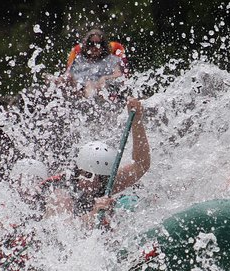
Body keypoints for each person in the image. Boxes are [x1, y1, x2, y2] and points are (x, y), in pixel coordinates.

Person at [41, 97, 150, 226]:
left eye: (102, 178)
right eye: (90, 176)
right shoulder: (61, 192)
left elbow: (141, 165)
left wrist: (136, 121)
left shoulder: (102, 182)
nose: (96, 183)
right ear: (79, 172)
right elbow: (64, 230)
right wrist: (94, 212)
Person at [64, 29, 128, 98]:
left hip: (100, 90)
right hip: (77, 90)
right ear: (87, 46)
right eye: (91, 44)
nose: (95, 47)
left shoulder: (112, 59)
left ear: (103, 45)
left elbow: (119, 75)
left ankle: (88, 102)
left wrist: (105, 78)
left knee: (89, 84)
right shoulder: (79, 59)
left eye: (98, 44)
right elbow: (67, 74)